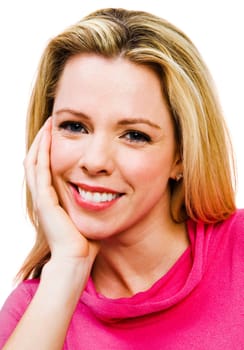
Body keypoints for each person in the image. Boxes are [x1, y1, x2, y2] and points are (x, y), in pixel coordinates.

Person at [0, 7, 243, 349]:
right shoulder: (34, 312)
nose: (95, 161)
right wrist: (69, 267)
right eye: (74, 126)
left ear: (182, 155)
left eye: (134, 135)